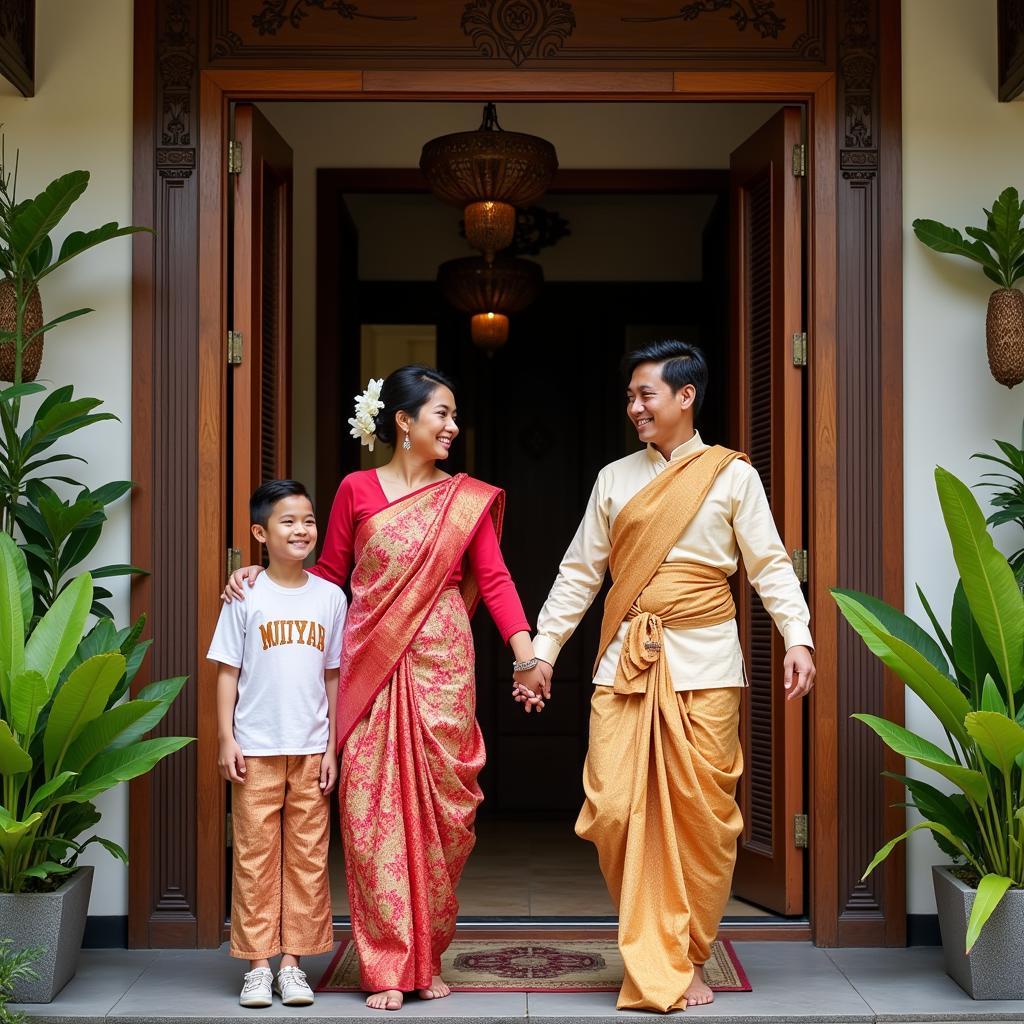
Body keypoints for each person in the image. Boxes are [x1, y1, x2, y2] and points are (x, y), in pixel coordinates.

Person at [224, 365, 547, 1011]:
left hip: (442, 672)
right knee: (371, 823)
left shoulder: (466, 499)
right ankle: (388, 966)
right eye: (442, 415)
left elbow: (497, 578)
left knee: (442, 823)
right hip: (368, 671)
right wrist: (255, 578)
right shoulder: (355, 490)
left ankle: (427, 958)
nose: (453, 427)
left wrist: (527, 656)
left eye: (454, 416)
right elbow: (325, 576)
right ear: (403, 422)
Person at [519, 340, 815, 1012]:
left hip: (707, 665)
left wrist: (797, 638)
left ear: (686, 396)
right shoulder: (613, 479)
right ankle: (653, 950)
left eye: (645, 394)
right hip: (626, 663)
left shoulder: (731, 475)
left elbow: (768, 565)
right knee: (616, 807)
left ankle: (682, 959)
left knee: (702, 823)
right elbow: (580, 573)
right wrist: (543, 653)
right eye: (629, 397)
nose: (634, 408)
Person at [208, 479, 347, 1008]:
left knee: (309, 857)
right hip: (256, 749)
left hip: (312, 750)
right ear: (259, 533)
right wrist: (226, 738)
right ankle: (257, 964)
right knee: (254, 855)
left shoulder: (330, 597)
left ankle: (294, 965)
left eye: (308, 520)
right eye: (287, 521)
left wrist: (332, 746)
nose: (301, 529)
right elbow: (227, 672)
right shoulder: (245, 594)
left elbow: (333, 676)